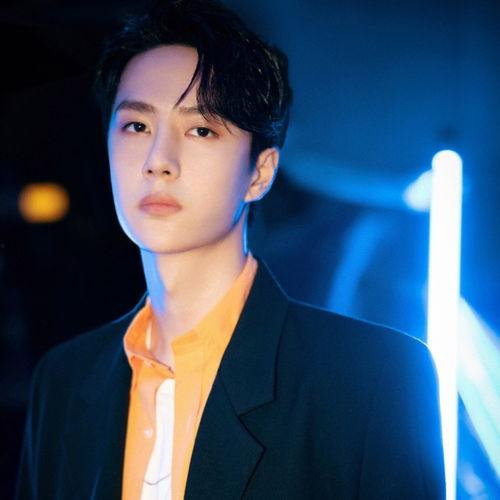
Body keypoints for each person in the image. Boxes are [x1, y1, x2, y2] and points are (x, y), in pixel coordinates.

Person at [15, 0, 445, 498]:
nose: (158, 160)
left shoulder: (371, 376)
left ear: (259, 173)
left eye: (201, 129)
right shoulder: (64, 382)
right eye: (137, 126)